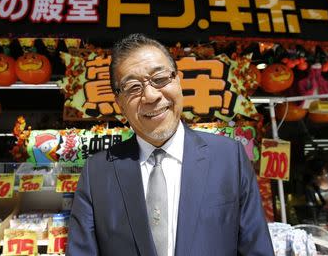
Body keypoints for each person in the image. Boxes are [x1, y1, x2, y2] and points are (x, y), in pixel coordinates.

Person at [67, 34, 273, 256]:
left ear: (178, 80)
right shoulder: (97, 172)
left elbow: (256, 248)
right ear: (119, 103)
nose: (150, 95)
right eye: (133, 87)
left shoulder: (229, 157)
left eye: (160, 78)